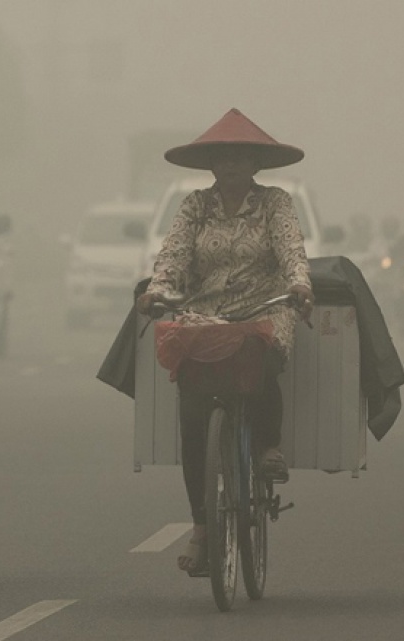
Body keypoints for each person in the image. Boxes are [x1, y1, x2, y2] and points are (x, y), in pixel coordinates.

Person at [134, 108, 314, 573]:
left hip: (265, 306)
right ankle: (201, 527)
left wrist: (299, 284)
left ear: (256, 166)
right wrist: (158, 289)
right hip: (205, 312)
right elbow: (173, 253)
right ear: (212, 166)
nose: (231, 167)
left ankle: (268, 446)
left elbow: (292, 247)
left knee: (261, 356)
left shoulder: (275, 203)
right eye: (223, 159)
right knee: (194, 422)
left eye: (240, 159)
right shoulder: (195, 206)